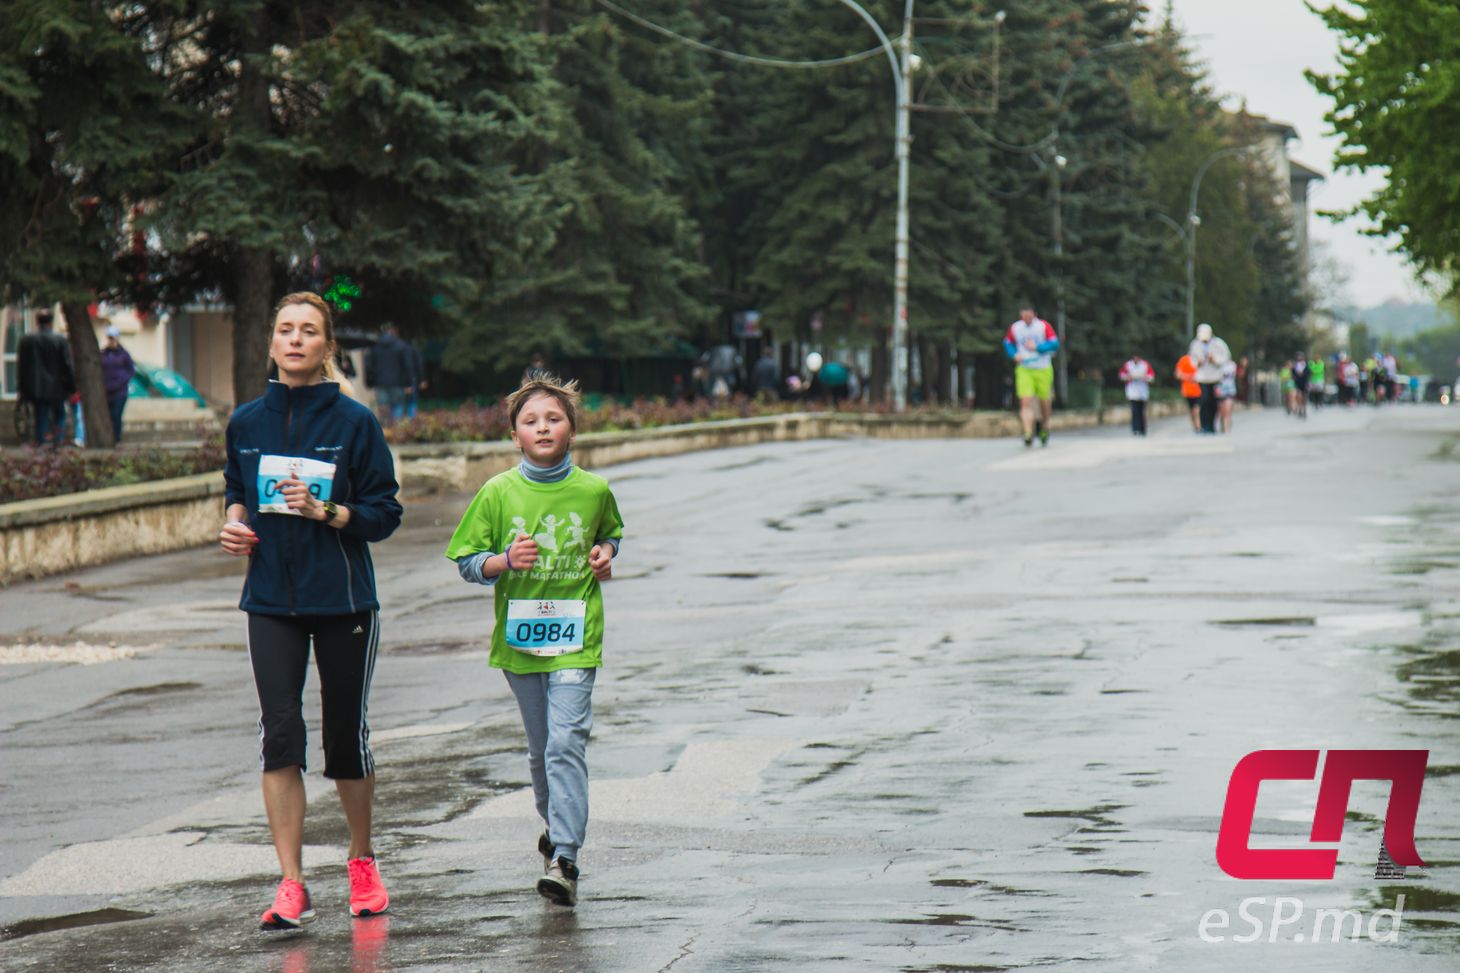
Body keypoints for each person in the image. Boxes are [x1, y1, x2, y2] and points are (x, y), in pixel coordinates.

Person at [219, 292, 403, 930]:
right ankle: (291, 883)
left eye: (309, 331)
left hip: (344, 600)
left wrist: (333, 512)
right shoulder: (245, 422)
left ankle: (361, 860)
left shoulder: (355, 423)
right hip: (270, 599)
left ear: (327, 347)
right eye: (285, 329)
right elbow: (237, 494)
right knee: (280, 735)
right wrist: (233, 525)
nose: (295, 340)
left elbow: (386, 512)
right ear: (271, 342)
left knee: (344, 738)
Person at [444, 373, 623, 909]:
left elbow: (609, 532)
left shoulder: (594, 490)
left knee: (567, 742)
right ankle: (554, 826)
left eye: (554, 418)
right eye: (530, 421)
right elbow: (468, 563)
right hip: (520, 644)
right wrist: (503, 561)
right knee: (543, 750)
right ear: (515, 435)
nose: (543, 427)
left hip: (576, 637)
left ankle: (565, 857)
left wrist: (605, 554)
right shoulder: (497, 493)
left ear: (571, 430)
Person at [16, 309, 75, 447]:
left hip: (35, 387)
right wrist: (72, 386)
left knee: (40, 416)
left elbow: (22, 366)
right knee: (59, 415)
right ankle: (58, 441)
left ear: (37, 322)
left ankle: (41, 443)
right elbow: (67, 365)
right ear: (51, 322)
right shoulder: (60, 340)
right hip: (57, 387)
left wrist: (22, 387)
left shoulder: (26, 341)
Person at [1003, 305, 1059, 447]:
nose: (1026, 319)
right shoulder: (1016, 328)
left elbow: (1055, 343)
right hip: (1024, 368)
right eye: (1023, 316)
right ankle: (1028, 433)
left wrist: (1038, 348)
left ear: (1034, 314)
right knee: (1025, 401)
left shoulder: (1043, 326)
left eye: (1029, 316)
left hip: (1043, 367)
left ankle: (1045, 426)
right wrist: (1013, 354)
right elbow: (1007, 342)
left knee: (1044, 402)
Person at [363, 324, 419, 426]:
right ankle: (396, 428)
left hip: (379, 381)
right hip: (398, 382)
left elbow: (368, 365)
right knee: (397, 406)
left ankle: (385, 427)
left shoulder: (374, 346)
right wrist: (409, 383)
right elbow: (407, 365)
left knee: (383, 406)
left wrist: (369, 381)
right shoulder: (401, 346)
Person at [1188, 323, 1231, 434]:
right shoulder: (1195, 344)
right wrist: (1198, 363)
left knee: (1214, 402)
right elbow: (1192, 360)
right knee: (1204, 401)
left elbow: (1226, 357)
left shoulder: (1218, 344)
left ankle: (1212, 425)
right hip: (1202, 377)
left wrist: (1215, 360)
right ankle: (1205, 425)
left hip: (1216, 377)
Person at [100, 325, 136, 445]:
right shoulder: (103, 354)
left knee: (116, 415)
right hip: (107, 391)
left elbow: (131, 371)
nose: (110, 340)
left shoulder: (123, 355)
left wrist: (120, 381)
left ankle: (117, 439)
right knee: (108, 417)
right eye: (109, 338)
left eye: (112, 338)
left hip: (120, 392)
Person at [1117, 354, 1154, 436]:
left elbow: (1151, 377)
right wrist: (1128, 377)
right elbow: (1121, 375)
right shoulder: (1128, 365)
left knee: (1141, 411)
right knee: (1134, 411)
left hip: (1143, 392)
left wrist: (1144, 377)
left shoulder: (1145, 365)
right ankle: (1135, 429)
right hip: (1132, 391)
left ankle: (1142, 429)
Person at [1175, 351, 1201, 432]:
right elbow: (1178, 374)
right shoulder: (1184, 360)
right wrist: (1190, 377)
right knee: (1192, 410)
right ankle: (1195, 425)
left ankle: (1199, 425)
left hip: (1200, 390)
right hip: (1188, 391)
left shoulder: (1201, 359)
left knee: (1198, 409)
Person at [1217, 359, 1238, 433]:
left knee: (1228, 411)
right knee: (1222, 412)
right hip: (1220, 390)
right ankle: (1222, 425)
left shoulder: (1232, 365)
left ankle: (1227, 429)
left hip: (1230, 390)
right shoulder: (1217, 364)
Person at [1290, 352, 1310, 419]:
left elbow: (1308, 373)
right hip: (1297, 382)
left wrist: (1303, 375)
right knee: (1298, 396)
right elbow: (1292, 373)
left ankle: (1304, 408)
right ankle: (1299, 408)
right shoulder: (1295, 365)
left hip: (1304, 382)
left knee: (1304, 396)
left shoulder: (1306, 365)